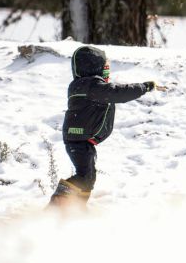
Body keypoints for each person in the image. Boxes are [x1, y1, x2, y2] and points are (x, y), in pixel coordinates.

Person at [48, 46, 157, 207]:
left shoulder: (83, 85)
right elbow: (117, 93)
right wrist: (143, 87)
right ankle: (57, 206)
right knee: (85, 176)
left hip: (80, 139)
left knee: (88, 176)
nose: (107, 72)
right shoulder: (91, 86)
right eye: (105, 68)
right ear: (93, 67)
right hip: (79, 139)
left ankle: (75, 208)